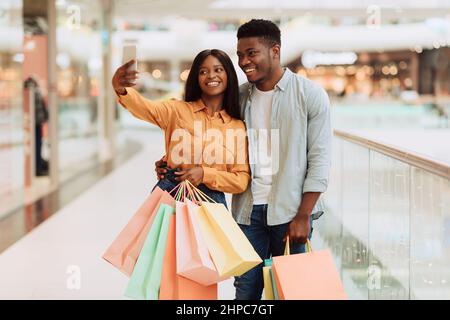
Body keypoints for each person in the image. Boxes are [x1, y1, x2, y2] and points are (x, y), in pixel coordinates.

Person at [156, 19, 332, 300]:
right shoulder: (237, 98)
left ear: (275, 51)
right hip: (247, 212)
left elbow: (320, 160)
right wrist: (172, 160)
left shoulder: (309, 95)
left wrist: (303, 215)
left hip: (290, 211)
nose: (243, 62)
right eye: (240, 54)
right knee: (246, 288)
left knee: (292, 289)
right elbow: (207, 136)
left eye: (252, 53)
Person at [112, 49, 250, 206]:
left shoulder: (236, 127)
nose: (211, 75)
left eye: (218, 70)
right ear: (196, 78)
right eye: (203, 71)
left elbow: (241, 180)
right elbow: (145, 107)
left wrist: (205, 174)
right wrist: (121, 89)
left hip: (211, 204)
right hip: (171, 196)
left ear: (228, 76)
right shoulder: (176, 110)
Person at [24, 76, 49, 176]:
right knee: (36, 146)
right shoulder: (34, 91)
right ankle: (37, 168)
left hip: (36, 123)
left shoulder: (35, 91)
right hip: (35, 124)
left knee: (38, 145)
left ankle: (38, 166)